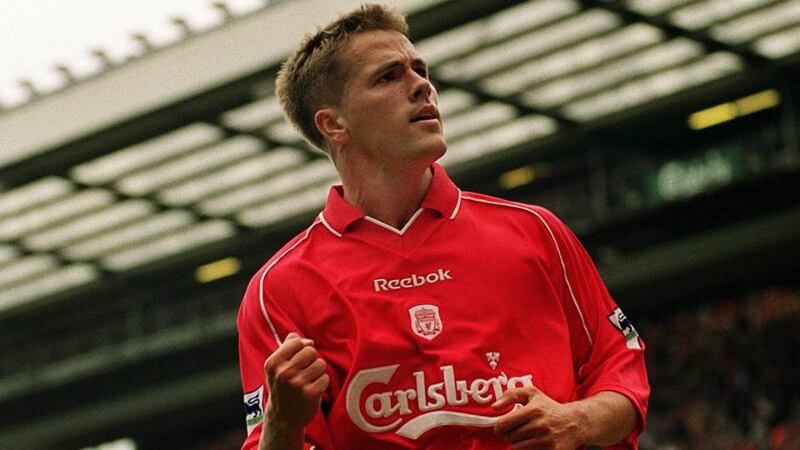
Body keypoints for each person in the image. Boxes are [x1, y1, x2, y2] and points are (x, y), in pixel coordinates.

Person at [237, 4, 650, 450]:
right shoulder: (279, 290)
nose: (422, 86)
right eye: (389, 77)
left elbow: (621, 367)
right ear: (334, 123)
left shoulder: (534, 231)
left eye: (420, 69)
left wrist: (577, 421)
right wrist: (281, 428)